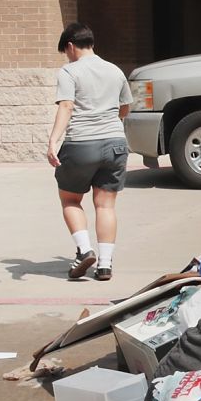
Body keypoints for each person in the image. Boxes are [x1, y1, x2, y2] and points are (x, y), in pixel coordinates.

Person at [47, 22, 132, 281]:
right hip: (116, 143)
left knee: (70, 200)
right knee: (105, 206)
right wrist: (112, 125)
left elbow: (67, 106)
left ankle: (84, 251)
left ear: (70, 46)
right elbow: (125, 106)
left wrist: (53, 140)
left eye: (66, 51)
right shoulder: (115, 70)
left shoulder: (69, 71)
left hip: (81, 143)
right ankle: (105, 264)